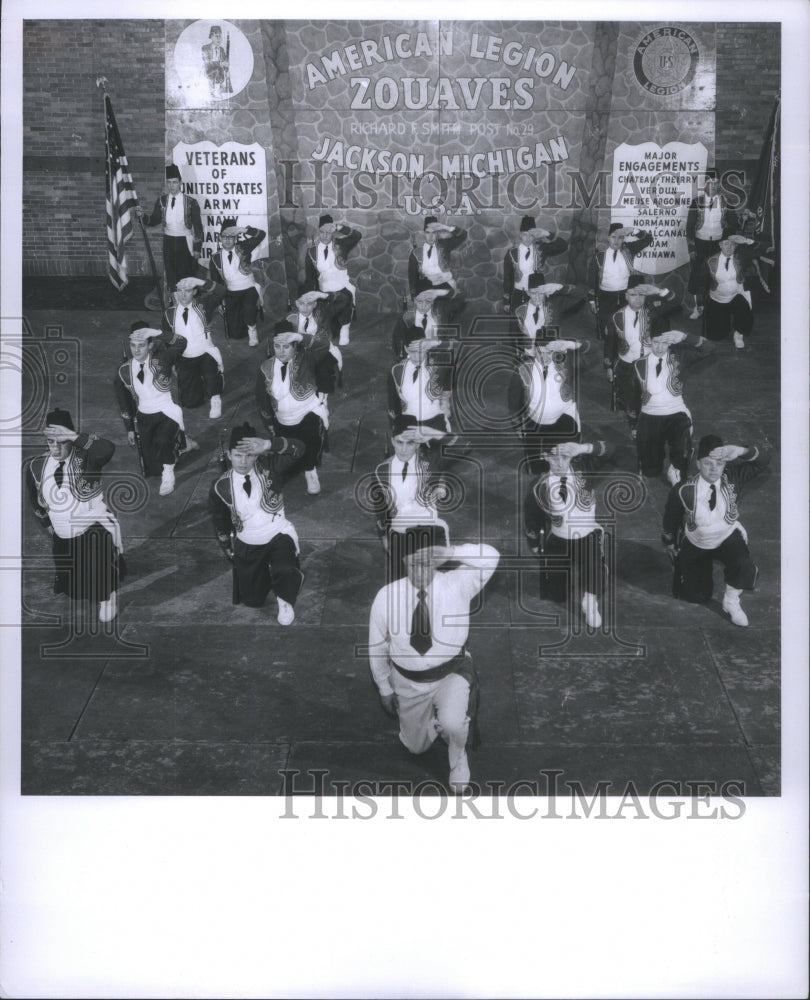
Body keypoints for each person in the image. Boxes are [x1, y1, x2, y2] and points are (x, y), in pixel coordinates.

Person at [368, 542, 500, 793]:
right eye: (413, 563)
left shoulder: (457, 583)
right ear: (403, 561)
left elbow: (492, 557)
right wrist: (384, 687)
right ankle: (434, 722)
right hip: (409, 681)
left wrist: (453, 553)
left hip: (451, 672)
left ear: (437, 562)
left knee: (453, 724)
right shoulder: (386, 597)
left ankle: (457, 753)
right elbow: (376, 645)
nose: (419, 570)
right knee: (414, 747)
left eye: (426, 563)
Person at [25, 408, 125, 623]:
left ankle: (109, 597)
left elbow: (107, 449)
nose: (56, 447)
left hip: (93, 525)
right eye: (51, 441)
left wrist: (72, 435)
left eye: (62, 441)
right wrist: (48, 525)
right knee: (77, 582)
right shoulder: (36, 465)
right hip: (62, 531)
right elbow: (34, 499)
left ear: (71, 439)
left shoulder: (88, 456)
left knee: (101, 571)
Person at [662, 435, 769, 627]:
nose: (713, 469)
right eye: (707, 463)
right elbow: (670, 517)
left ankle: (731, 602)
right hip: (698, 540)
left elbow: (765, 460)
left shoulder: (733, 476)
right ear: (698, 464)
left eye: (719, 464)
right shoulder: (683, 490)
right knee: (695, 596)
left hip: (726, 535)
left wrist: (742, 451)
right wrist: (669, 541)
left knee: (744, 565)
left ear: (725, 464)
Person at [208, 423, 305, 625]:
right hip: (248, 540)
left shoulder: (271, 466)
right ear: (228, 454)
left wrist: (270, 444)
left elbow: (300, 448)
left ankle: (285, 596)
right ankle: (272, 572)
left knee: (285, 571)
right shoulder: (220, 486)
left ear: (257, 455)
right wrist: (227, 547)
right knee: (253, 600)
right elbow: (220, 520)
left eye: (249, 455)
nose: (243, 462)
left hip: (277, 533)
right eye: (238, 455)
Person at [523, 440, 613, 630]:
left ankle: (590, 600)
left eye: (564, 457)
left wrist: (584, 448)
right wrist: (534, 544)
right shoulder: (538, 486)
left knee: (593, 564)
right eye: (554, 457)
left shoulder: (585, 468)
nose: (560, 463)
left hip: (587, 534)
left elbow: (612, 449)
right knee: (557, 595)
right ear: (545, 457)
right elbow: (531, 518)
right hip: (558, 538)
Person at [114, 322, 193, 496]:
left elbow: (182, 342)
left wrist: (157, 332)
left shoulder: (163, 358)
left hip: (167, 412)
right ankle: (182, 443)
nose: (136, 350)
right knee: (154, 467)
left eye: (141, 345)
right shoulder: (124, 371)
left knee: (163, 443)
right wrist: (129, 429)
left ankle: (169, 475)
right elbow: (124, 403)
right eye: (133, 346)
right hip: (144, 416)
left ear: (150, 345)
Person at [371, 415, 451, 582]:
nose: (404, 449)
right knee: (400, 584)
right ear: (392, 441)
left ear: (418, 443)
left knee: (434, 585)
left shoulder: (430, 461)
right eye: (400, 442)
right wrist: (384, 536)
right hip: (400, 534)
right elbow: (380, 508)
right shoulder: (381, 471)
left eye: (410, 443)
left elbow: (464, 445)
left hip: (429, 531)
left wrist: (433, 433)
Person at [255, 320, 331, 495]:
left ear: (295, 346)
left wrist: (299, 336)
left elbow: (323, 344)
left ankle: (311, 471)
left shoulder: (307, 358)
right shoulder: (266, 367)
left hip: (308, 412)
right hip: (283, 420)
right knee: (288, 459)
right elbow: (262, 398)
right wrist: (269, 424)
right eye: (277, 346)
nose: (281, 351)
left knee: (311, 437)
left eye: (287, 346)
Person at [633, 330, 716, 485]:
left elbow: (710, 348)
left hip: (676, 413)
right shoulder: (638, 363)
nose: (659, 347)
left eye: (664, 342)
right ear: (648, 341)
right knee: (650, 471)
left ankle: (679, 463)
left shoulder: (680, 357)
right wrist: (635, 423)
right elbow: (634, 397)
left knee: (680, 462)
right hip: (650, 416)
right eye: (656, 342)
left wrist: (685, 337)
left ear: (670, 343)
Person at [604, 278, 679, 439]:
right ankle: (634, 426)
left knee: (651, 396)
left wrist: (659, 291)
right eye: (633, 295)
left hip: (649, 362)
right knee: (631, 398)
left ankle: (654, 423)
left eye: (641, 295)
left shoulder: (653, 311)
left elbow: (675, 301)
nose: (637, 298)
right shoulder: (616, 316)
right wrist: (608, 366)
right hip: (626, 364)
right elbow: (610, 343)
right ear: (626, 295)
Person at [508, 332, 586, 474]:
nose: (544, 357)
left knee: (565, 463)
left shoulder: (566, 364)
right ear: (534, 349)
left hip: (564, 420)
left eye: (549, 353)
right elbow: (513, 400)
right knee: (537, 468)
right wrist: (517, 424)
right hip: (535, 423)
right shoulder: (523, 369)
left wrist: (568, 344)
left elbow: (588, 348)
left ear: (555, 351)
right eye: (540, 352)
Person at [138, 164, 203, 305]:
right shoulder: (162, 200)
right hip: (168, 241)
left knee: (186, 273)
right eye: (169, 182)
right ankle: (175, 305)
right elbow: (154, 220)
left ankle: (189, 305)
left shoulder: (191, 202)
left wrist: (197, 248)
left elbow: (198, 227)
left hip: (185, 242)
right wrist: (143, 216)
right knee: (171, 273)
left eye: (175, 182)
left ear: (180, 183)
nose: (172, 186)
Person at [162, 276, 224, 419]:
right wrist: (172, 362)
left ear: (194, 292)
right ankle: (201, 381)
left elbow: (221, 291)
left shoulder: (203, 305)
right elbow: (167, 340)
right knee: (190, 403)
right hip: (185, 358)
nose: (183, 295)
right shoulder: (168, 314)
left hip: (204, 353)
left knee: (211, 385)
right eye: (180, 291)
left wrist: (199, 281)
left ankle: (215, 393)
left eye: (188, 290)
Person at [685, 171, 737, 320]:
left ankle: (715, 308)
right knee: (697, 275)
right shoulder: (696, 202)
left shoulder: (726, 202)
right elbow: (689, 227)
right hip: (700, 243)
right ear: (705, 185)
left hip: (717, 244)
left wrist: (740, 221)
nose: (714, 186)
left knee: (716, 275)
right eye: (711, 183)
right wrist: (692, 248)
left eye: (716, 183)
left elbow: (734, 223)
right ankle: (698, 307)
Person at [587, 223, 653, 341]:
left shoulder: (629, 249)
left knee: (625, 327)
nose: (616, 241)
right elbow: (592, 279)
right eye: (613, 237)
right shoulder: (599, 256)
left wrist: (634, 230)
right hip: (605, 295)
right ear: (608, 238)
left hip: (624, 294)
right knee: (604, 331)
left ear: (624, 239)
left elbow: (648, 239)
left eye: (620, 237)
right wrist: (592, 300)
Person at [303, 214, 361, 346]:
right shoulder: (311, 252)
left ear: (333, 232)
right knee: (326, 333)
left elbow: (357, 235)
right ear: (319, 232)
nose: (325, 235)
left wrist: (339, 227)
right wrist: (309, 298)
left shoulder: (342, 245)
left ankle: (345, 330)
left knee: (345, 299)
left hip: (342, 290)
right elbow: (309, 278)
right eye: (322, 232)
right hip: (324, 293)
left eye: (328, 232)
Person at [208, 217, 267, 346]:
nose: (228, 240)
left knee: (248, 309)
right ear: (220, 238)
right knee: (236, 334)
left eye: (231, 237)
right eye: (225, 237)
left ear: (235, 238)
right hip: (231, 292)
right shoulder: (215, 258)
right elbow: (216, 282)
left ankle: (253, 329)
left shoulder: (244, 247)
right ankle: (243, 322)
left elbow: (262, 234)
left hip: (249, 288)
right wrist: (219, 301)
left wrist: (243, 229)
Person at [388, 331, 454, 438]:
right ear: (405, 349)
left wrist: (434, 342)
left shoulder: (438, 364)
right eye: (412, 351)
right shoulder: (397, 369)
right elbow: (393, 403)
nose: (417, 356)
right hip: (409, 423)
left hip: (435, 421)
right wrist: (395, 427)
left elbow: (459, 348)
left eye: (421, 351)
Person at [701, 228, 760, 349]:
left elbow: (757, 252)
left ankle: (738, 334)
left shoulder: (741, 257)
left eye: (733, 244)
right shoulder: (709, 261)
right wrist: (702, 303)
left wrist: (746, 241)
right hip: (718, 298)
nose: (729, 247)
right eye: (726, 244)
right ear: (720, 245)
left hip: (736, 295)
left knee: (744, 308)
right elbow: (702, 283)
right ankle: (724, 323)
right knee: (716, 336)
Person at [502, 215, 568, 313]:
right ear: (520, 235)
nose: (528, 238)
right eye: (525, 234)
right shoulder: (511, 253)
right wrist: (506, 301)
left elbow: (563, 245)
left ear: (535, 236)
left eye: (531, 235)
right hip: (518, 293)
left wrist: (546, 233)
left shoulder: (541, 249)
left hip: (537, 294)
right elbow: (507, 278)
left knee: (536, 324)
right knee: (515, 325)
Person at [287, 290, 343, 402]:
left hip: (322, 348)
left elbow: (344, 299)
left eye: (309, 304)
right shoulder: (290, 319)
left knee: (324, 369)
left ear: (315, 304)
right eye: (301, 303)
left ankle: (322, 400)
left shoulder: (323, 312)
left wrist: (323, 295)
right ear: (296, 303)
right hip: (301, 353)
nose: (305, 308)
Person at [514, 276, 587, 358]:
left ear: (545, 292)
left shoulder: (554, 306)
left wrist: (560, 287)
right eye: (534, 293)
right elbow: (515, 338)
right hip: (528, 357)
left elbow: (582, 294)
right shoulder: (519, 311)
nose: (537, 297)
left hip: (550, 357)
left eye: (541, 293)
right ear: (528, 292)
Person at [391, 282, 460, 359]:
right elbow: (398, 342)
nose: (423, 306)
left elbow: (454, 343)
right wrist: (404, 359)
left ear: (433, 301)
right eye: (420, 301)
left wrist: (433, 343)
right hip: (413, 359)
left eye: (428, 301)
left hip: (437, 359)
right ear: (414, 300)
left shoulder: (441, 316)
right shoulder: (406, 318)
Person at [407, 216, 466, 301]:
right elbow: (412, 276)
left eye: (434, 232)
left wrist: (445, 227)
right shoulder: (417, 252)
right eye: (428, 233)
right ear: (424, 233)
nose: (431, 236)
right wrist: (414, 296)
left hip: (444, 287)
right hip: (425, 288)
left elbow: (463, 235)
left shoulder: (445, 245)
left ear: (437, 233)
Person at [201, 24, 231, 98]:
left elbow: (224, 63)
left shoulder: (221, 50)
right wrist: (220, 63)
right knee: (217, 69)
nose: (219, 39)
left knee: (219, 70)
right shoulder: (205, 48)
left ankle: (217, 90)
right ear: (211, 37)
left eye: (220, 36)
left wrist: (226, 66)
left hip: (219, 73)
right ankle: (213, 91)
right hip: (208, 71)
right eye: (216, 36)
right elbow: (207, 62)